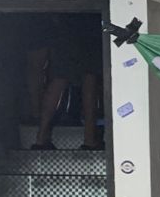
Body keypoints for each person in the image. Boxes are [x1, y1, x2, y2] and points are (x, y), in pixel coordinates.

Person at [27, 15, 103, 150]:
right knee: (90, 81)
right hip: (90, 28)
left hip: (66, 30)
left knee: (59, 79)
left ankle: (41, 138)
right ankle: (90, 139)